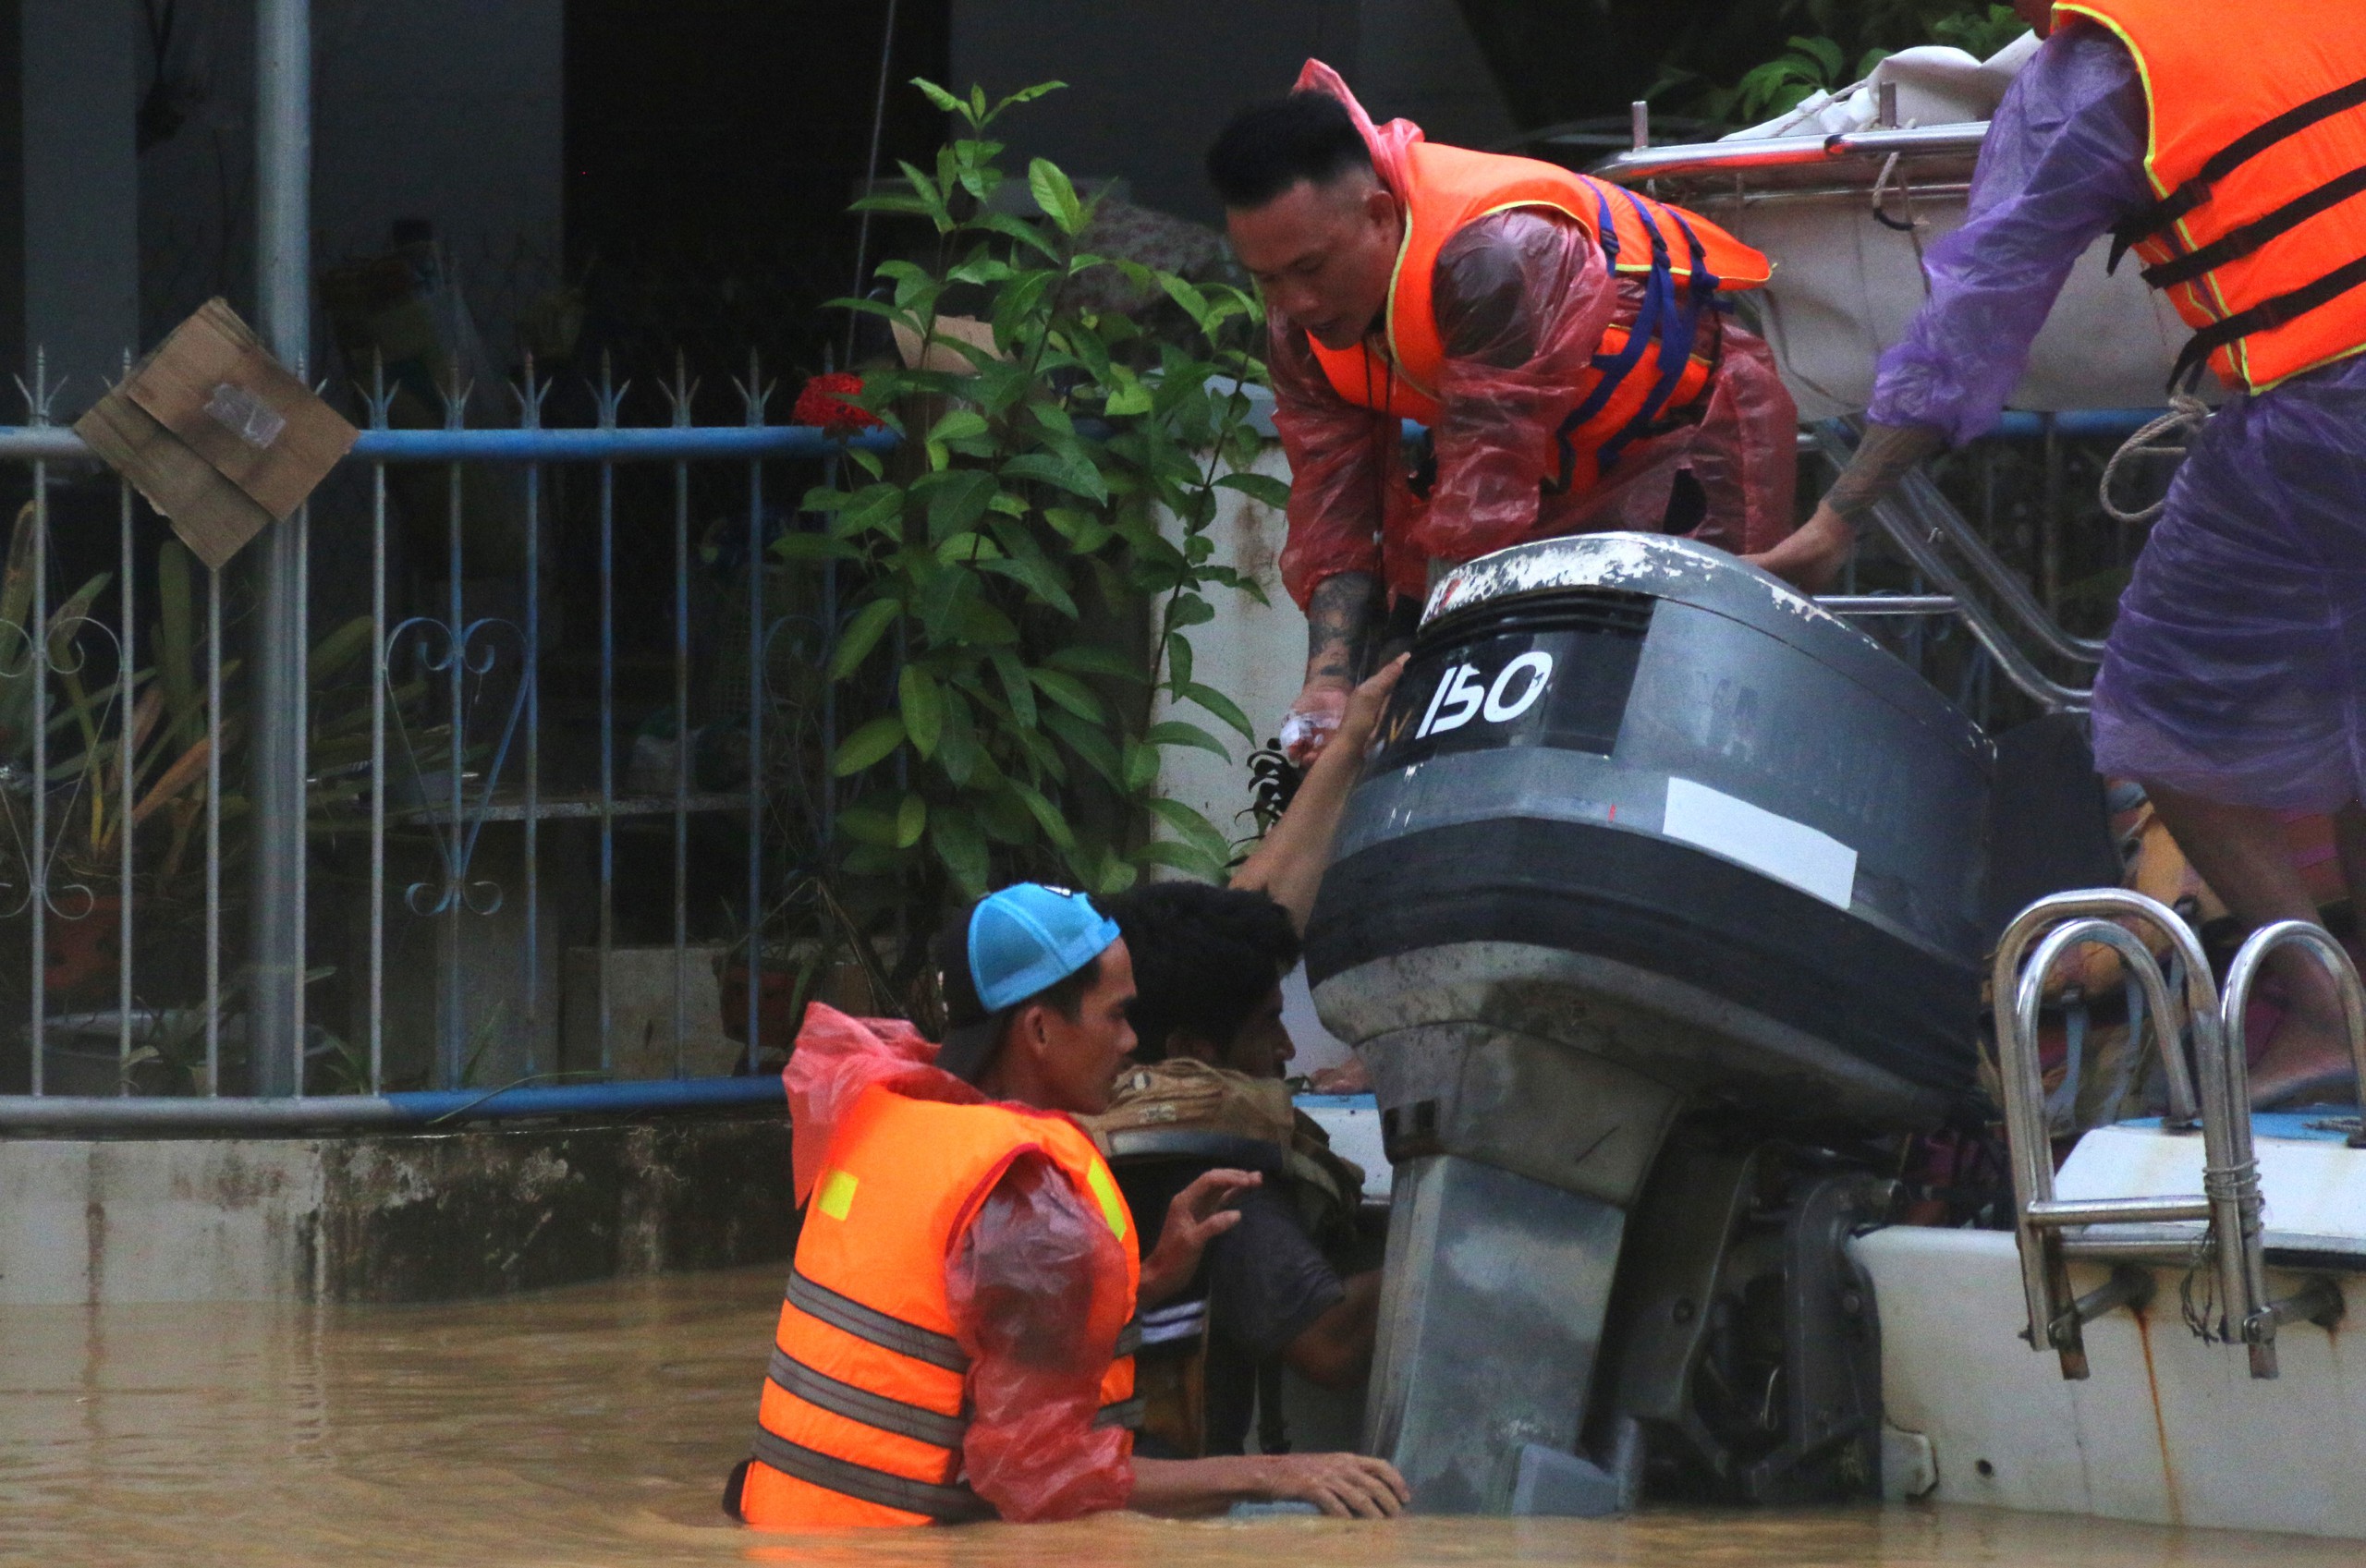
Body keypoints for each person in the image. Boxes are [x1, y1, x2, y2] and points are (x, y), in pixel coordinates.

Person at [1747, 0, 2366, 1107]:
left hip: (2324, 415)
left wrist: (1839, 513)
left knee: (2157, 719)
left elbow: (1974, 327)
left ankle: (2335, 1019)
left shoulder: (2096, 76)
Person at [726, 882, 1410, 1527]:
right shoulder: (1032, 1197)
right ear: (1040, 1031)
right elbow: (1050, 1480)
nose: (1130, 1042)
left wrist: (1144, 1281)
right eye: (1115, 1015)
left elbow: (961, 1323)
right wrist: (1278, 1473)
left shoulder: (892, 1112)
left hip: (791, 1528)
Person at [1207, 61, 1800, 766]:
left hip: (1685, 438)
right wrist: (1329, 687)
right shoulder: (1298, 325)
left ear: (1378, 215)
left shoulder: (1496, 255)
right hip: (1529, 467)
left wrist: (1417, 671)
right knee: (1402, 699)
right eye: (1267, 279)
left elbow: (1483, 499)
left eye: (1310, 269)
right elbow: (1333, 505)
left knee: (1696, 703)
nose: (1296, 303)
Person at [1094, 879, 1381, 1458]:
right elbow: (1331, 1347)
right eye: (1267, 1024)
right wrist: (1442, 1237)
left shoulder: (1085, 1130)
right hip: (1166, 1514)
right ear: (1193, 1049)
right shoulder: (1207, 1163)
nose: (1288, 1049)